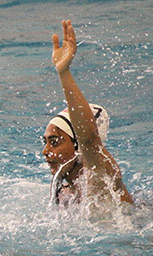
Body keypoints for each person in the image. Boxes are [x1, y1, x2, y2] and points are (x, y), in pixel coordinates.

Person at [42, 20, 133, 206]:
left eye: (55, 142)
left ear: (77, 145)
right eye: (46, 143)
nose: (45, 152)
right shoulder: (65, 192)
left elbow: (90, 140)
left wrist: (64, 73)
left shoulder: (101, 175)